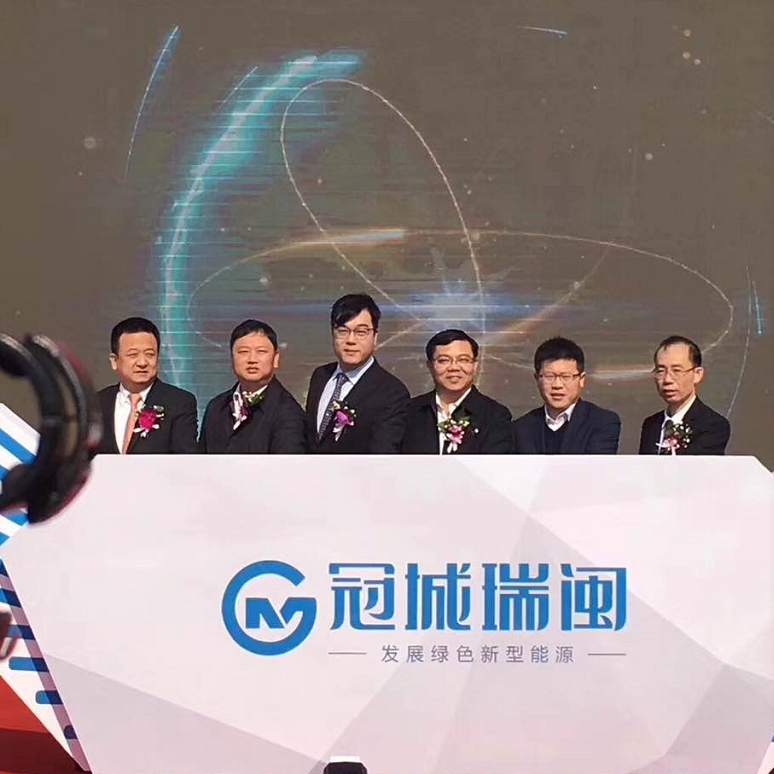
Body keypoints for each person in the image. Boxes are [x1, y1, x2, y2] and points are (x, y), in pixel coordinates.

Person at [305, 294, 409, 453]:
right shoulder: (321, 375)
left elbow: (383, 454)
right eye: (343, 331)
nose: (351, 340)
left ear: (375, 336)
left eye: (361, 332)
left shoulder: (392, 393)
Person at [199, 320, 305, 454]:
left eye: (261, 351)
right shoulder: (216, 406)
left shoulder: (288, 413)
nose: (252, 359)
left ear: (275, 359)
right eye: (243, 352)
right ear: (232, 358)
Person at [96, 317, 198, 454]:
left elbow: (186, 459)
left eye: (150, 354)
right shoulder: (97, 403)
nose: (142, 362)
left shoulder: (179, 402)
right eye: (133, 355)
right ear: (114, 361)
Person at [401, 329, 512, 454]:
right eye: (444, 360)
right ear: (430, 366)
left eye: (463, 360)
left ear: (475, 366)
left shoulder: (494, 415)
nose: (454, 367)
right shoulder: (409, 412)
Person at [513, 336, 620, 454]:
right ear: (537, 379)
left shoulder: (602, 422)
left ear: (581, 379)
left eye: (566, 377)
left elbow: (596, 465)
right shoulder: (520, 428)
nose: (557, 385)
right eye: (549, 376)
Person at [639, 335, 730, 455]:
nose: (667, 379)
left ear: (697, 374)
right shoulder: (651, 425)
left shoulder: (713, 425)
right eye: (660, 371)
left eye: (677, 371)